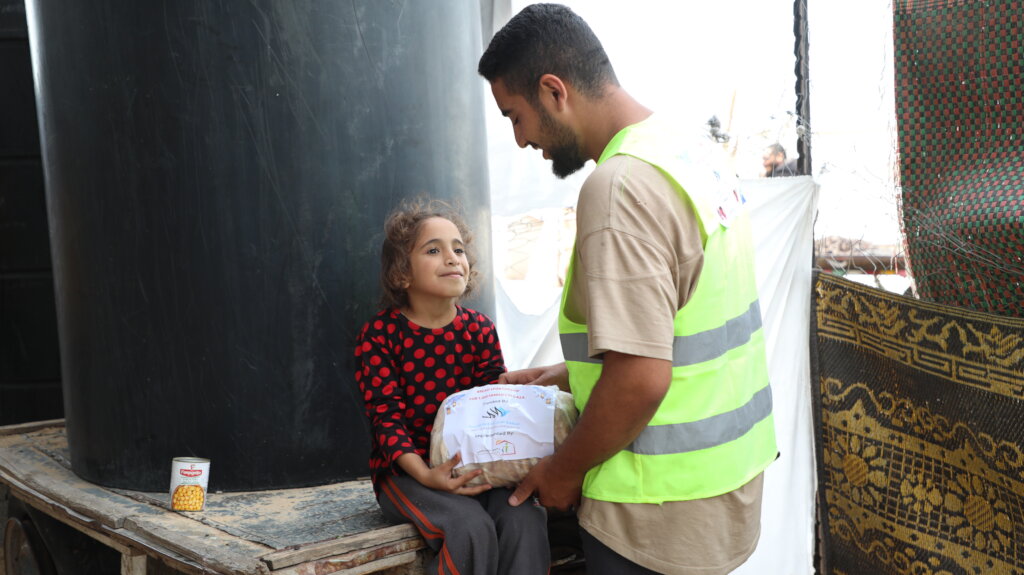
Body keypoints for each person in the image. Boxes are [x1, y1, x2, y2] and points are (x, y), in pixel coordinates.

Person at [478, 4, 778, 575]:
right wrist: (573, 373)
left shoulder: (619, 188)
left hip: (655, 513)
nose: (519, 142)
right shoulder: (688, 154)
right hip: (725, 487)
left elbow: (642, 379)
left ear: (553, 91)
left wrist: (562, 472)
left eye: (516, 117)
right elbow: (685, 321)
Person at [354, 199, 550, 575]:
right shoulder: (379, 336)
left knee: (522, 517)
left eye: (458, 248)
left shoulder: (479, 329)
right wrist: (427, 475)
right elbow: (386, 421)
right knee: (469, 527)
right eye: (433, 249)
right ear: (401, 274)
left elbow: (494, 406)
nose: (452, 257)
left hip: (477, 466)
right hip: (406, 474)